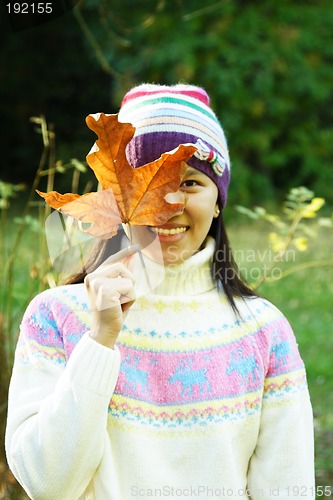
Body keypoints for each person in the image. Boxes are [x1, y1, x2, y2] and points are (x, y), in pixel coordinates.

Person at [6, 84, 315, 499]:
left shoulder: (263, 331)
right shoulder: (56, 316)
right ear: (118, 199)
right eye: (150, 183)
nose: (169, 202)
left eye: (189, 183)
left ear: (218, 201)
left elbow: (287, 489)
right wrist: (100, 340)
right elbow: (47, 484)